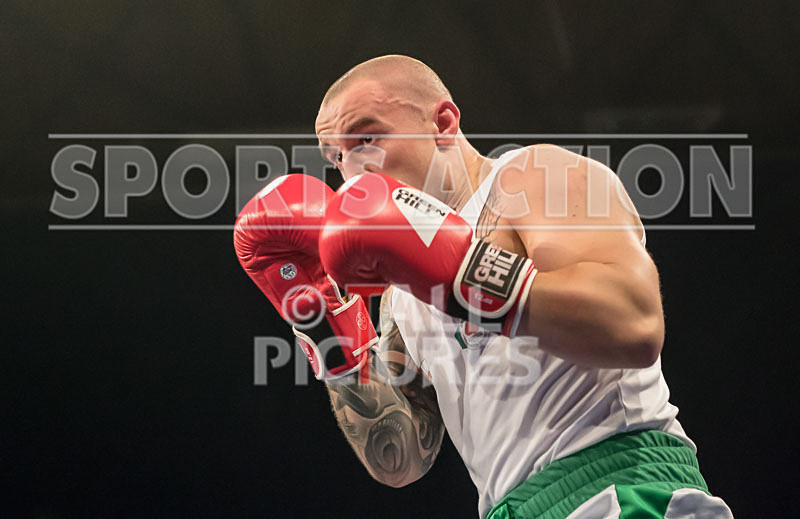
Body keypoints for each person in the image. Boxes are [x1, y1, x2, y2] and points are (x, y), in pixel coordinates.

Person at [235, 55, 733, 518]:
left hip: (617, 483)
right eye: (336, 156)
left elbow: (633, 324)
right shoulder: (398, 297)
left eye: (366, 139)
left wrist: (457, 273)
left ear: (443, 125)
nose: (351, 170)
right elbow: (400, 457)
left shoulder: (534, 180)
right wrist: (327, 327)